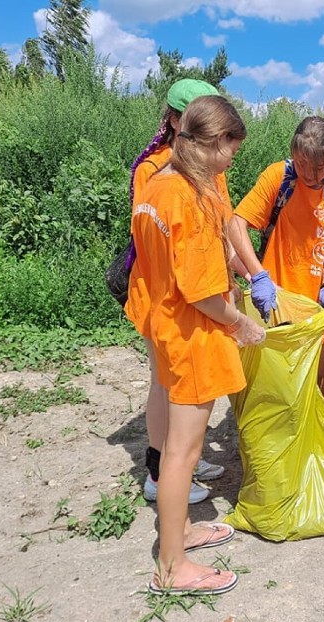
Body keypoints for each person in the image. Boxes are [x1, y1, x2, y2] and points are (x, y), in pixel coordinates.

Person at [128, 95, 265, 595]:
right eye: (231, 148)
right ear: (210, 143)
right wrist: (241, 324)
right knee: (183, 453)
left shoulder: (158, 183)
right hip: (192, 335)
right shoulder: (189, 196)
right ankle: (172, 566)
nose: (233, 159)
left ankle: (179, 530)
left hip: (163, 324)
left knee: (175, 451)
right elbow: (204, 291)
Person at [127, 79, 234, 505]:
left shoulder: (202, 167)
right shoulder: (157, 171)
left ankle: (184, 459)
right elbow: (167, 242)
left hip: (196, 291)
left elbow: (223, 222)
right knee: (167, 385)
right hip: (169, 298)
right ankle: (163, 469)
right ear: (176, 121)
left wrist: (245, 273)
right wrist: (230, 312)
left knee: (182, 392)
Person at [229, 116, 324, 415]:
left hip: (317, 305)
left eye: (318, 167)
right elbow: (236, 224)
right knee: (276, 381)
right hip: (275, 301)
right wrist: (258, 276)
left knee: (321, 376)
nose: (309, 174)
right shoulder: (279, 177)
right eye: (301, 163)